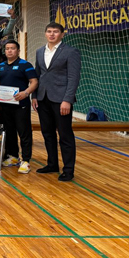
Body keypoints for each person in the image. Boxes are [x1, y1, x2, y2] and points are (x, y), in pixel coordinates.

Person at [32, 22, 81, 182]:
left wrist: (67, 100)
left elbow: (73, 78)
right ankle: (52, 164)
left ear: (62, 34)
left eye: (55, 32)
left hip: (61, 100)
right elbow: (37, 75)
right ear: (45, 33)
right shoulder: (40, 51)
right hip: (43, 98)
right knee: (47, 133)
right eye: (49, 31)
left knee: (65, 135)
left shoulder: (71, 52)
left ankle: (68, 170)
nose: (52, 34)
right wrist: (34, 96)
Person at [0, 40, 38, 174]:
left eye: (12, 48)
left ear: (18, 51)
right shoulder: (0, 66)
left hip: (21, 106)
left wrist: (26, 93)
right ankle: (13, 156)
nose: (9, 51)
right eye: (7, 48)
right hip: (5, 106)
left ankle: (26, 160)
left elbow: (34, 82)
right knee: (10, 132)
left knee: (24, 132)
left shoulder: (25, 65)